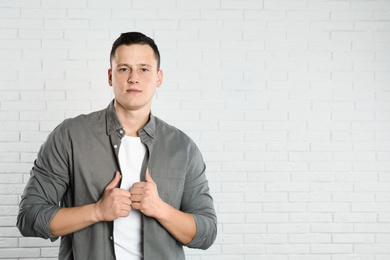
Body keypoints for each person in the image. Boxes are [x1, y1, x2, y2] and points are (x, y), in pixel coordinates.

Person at [17, 32, 217, 260]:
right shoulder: (70, 135)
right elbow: (30, 217)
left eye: (144, 69)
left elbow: (207, 232)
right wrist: (97, 211)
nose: (134, 78)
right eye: (124, 69)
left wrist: (160, 209)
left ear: (159, 77)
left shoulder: (183, 148)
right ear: (110, 76)